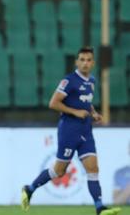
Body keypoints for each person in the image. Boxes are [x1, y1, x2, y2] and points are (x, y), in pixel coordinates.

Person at [21, 47, 121, 215]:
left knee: (93, 168)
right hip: (69, 130)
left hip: (86, 131)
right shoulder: (69, 81)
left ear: (93, 63)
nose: (85, 63)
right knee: (59, 171)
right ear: (76, 62)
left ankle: (100, 208)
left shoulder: (92, 81)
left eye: (88, 60)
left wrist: (93, 113)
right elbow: (53, 103)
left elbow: (85, 102)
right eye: (82, 59)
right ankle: (29, 189)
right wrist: (75, 112)